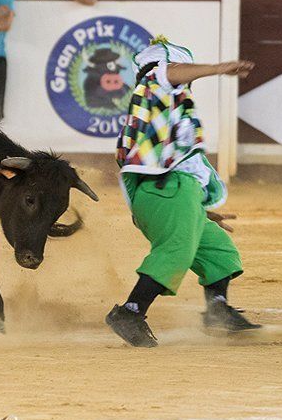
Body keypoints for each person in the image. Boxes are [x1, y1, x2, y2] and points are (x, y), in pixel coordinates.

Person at [106, 36, 260, 348]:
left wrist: (197, 208)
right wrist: (219, 68)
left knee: (217, 248)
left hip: (170, 195)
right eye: (174, 66)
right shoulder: (153, 83)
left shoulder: (155, 114)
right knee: (175, 251)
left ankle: (218, 311)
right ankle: (130, 312)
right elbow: (168, 71)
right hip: (168, 188)